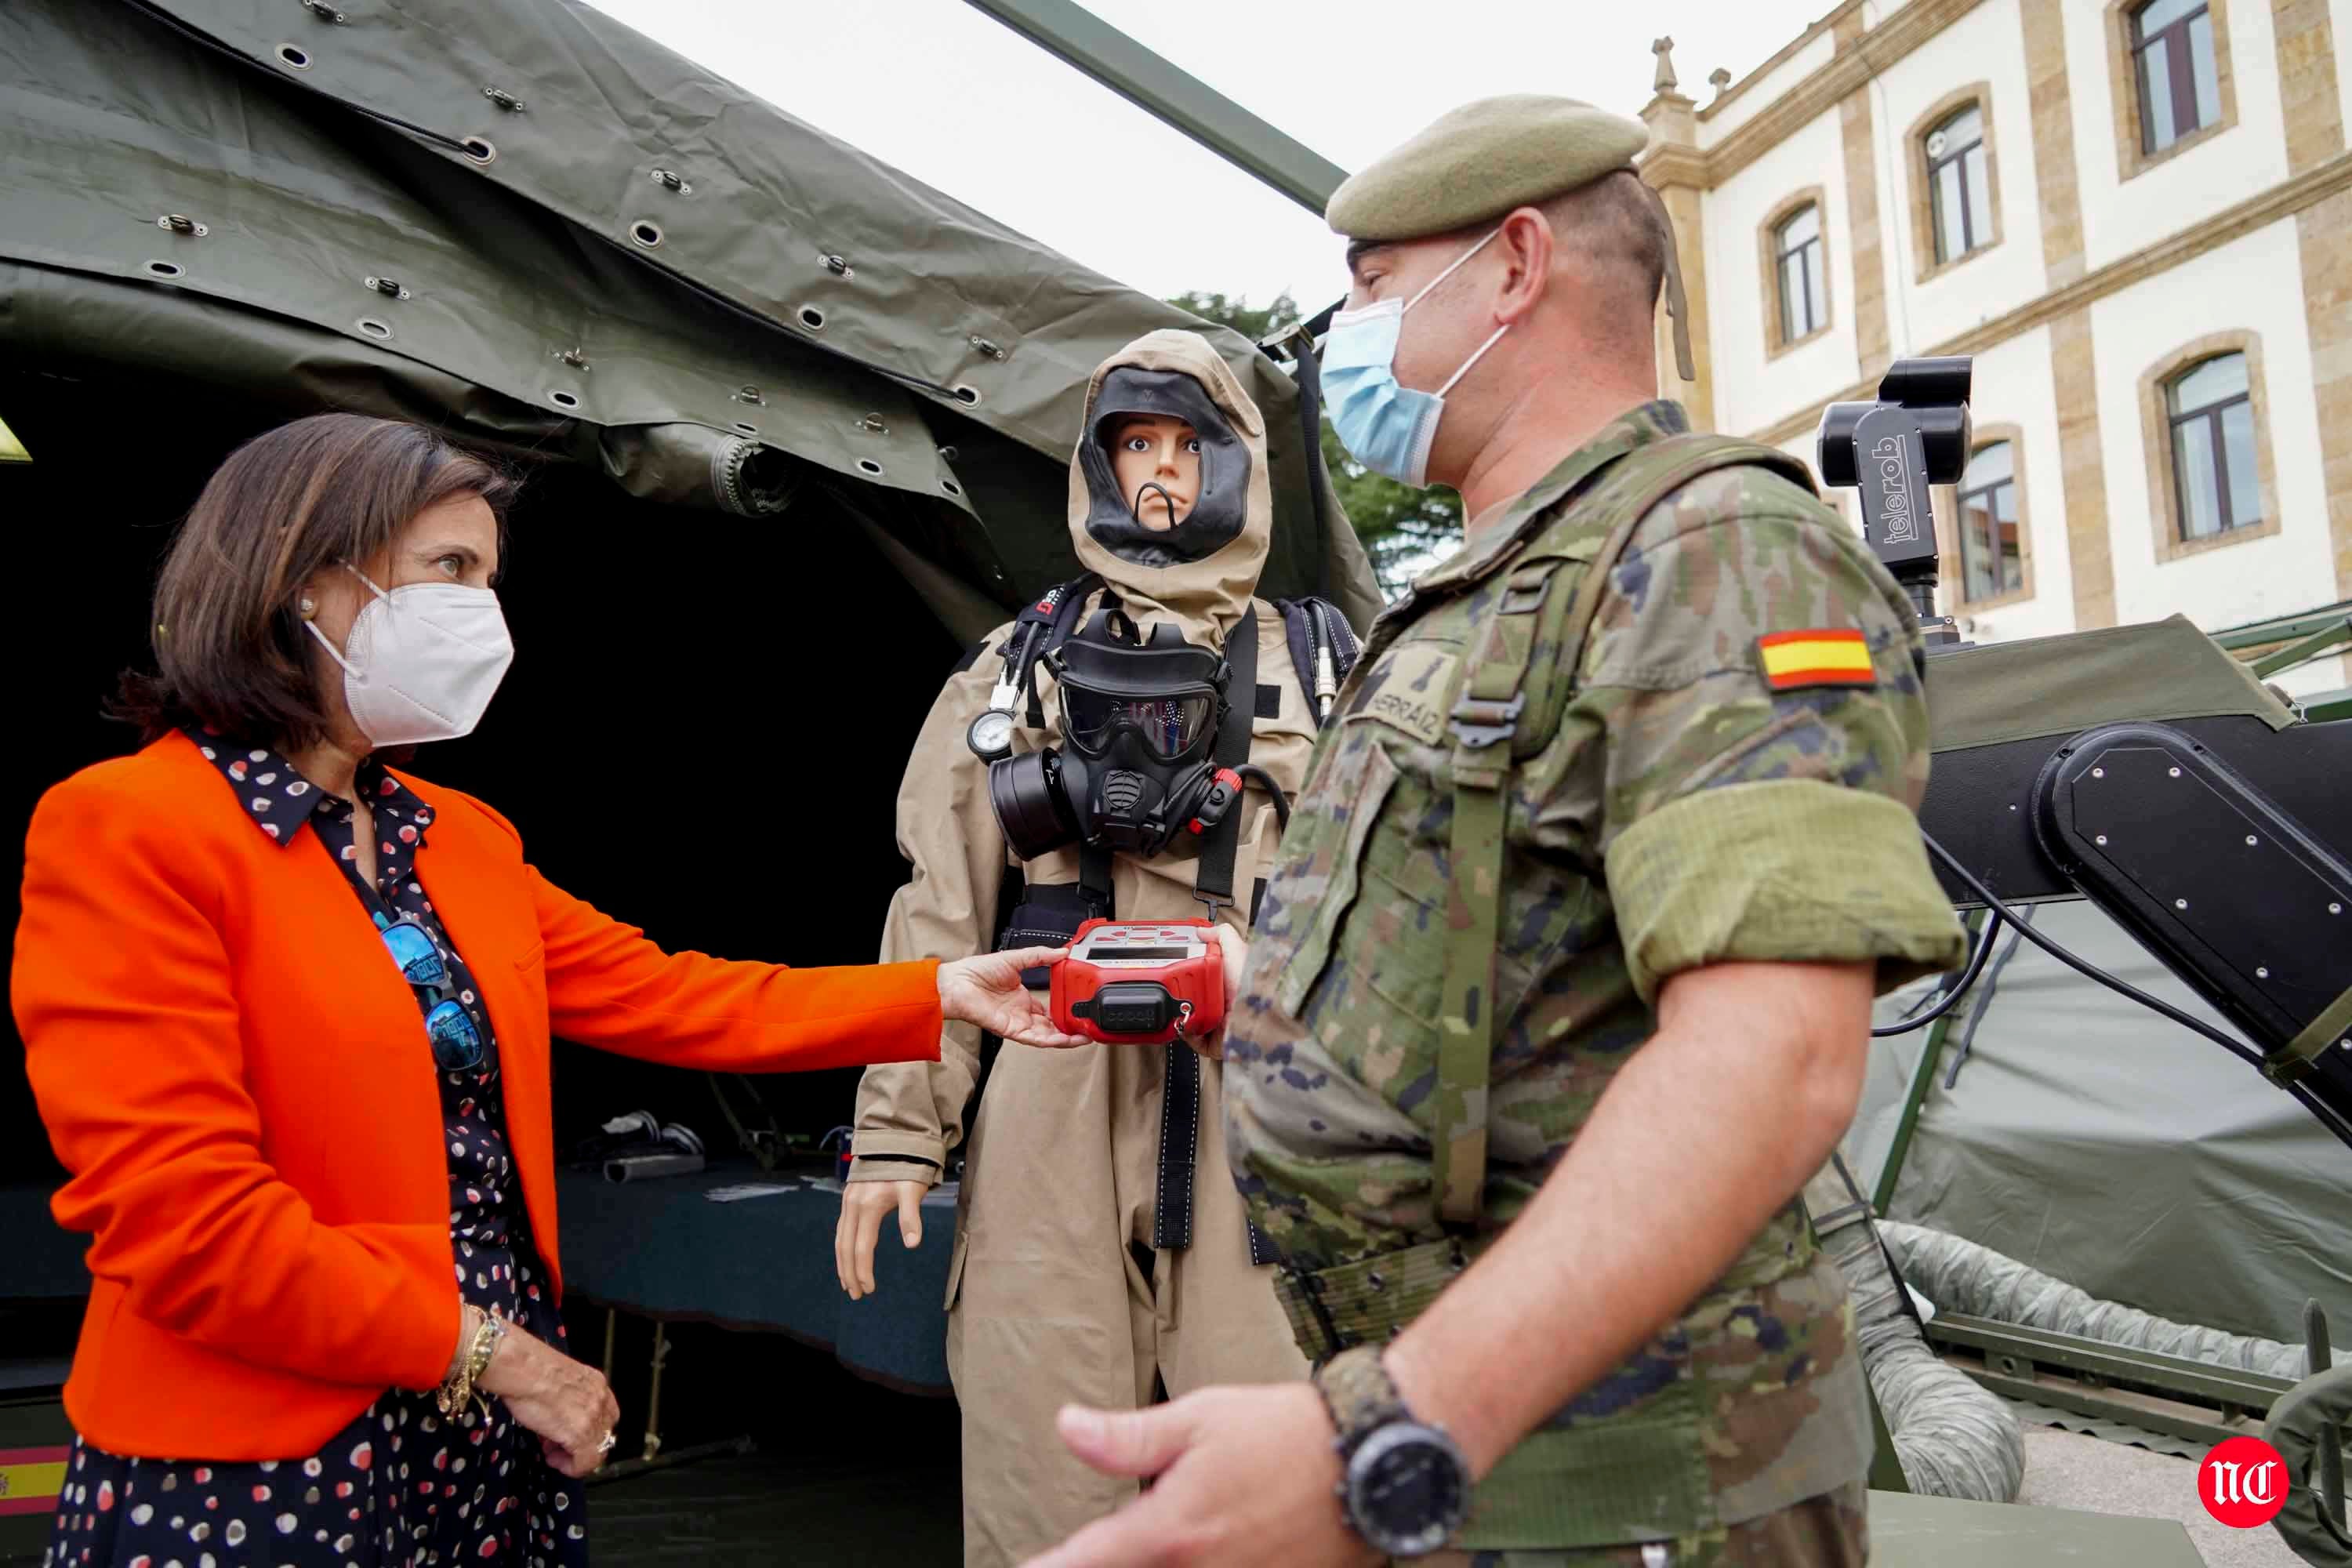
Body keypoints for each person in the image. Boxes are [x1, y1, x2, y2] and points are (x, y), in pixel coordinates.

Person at [1025, 96, 1970, 1567]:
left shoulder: (1713, 550)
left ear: (1517, 267)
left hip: (1632, 1495)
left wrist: (1389, 1434)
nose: (1345, 334)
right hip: (1493, 1460)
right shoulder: (1484, 596)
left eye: (1375, 284)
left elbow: (1772, 1058)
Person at [11, 413, 1083, 1568]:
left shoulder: (456, 838)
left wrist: (940, 991)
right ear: (305, 584)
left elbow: (679, 997)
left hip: (477, 1440)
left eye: (490, 576)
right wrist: (504, 1356)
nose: (483, 612)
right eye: (449, 570)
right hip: (259, 1455)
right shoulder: (128, 829)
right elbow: (186, 1224)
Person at [836, 329, 1350, 1567]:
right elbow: (940, 909)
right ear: (1098, 468)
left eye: (1186, 444)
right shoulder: (1011, 673)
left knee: (1280, 1476)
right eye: (1134, 446)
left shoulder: (1331, 667)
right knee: (1042, 1461)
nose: (1161, 473)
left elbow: (1396, 908)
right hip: (1051, 1068)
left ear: (1236, 462)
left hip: (1260, 1085)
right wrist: (900, 1131)